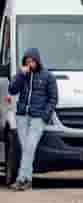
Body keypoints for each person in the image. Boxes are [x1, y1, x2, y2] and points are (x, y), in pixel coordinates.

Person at [7, 48, 57, 191]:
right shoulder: (22, 75)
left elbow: (53, 98)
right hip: (22, 116)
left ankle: (21, 179)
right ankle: (27, 180)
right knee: (26, 149)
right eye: (27, 61)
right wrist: (20, 75)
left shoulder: (48, 77)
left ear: (37, 61)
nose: (30, 64)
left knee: (30, 147)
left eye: (32, 61)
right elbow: (12, 90)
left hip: (37, 118)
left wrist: (45, 116)